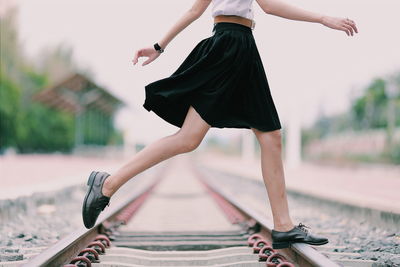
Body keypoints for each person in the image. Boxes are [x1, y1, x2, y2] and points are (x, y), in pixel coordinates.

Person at [82, 0, 358, 249]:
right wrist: (323, 19)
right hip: (230, 48)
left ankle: (284, 226)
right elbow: (267, 6)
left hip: (239, 47)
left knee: (264, 135)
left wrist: (159, 46)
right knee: (195, 138)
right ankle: (108, 184)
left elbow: (195, 10)